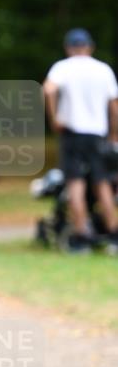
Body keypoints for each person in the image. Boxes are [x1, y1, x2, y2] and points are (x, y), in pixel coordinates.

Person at [43, 28, 118, 253]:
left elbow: (48, 90)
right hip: (97, 134)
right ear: (90, 47)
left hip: (72, 133)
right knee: (102, 183)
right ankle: (113, 233)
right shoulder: (103, 69)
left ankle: (81, 235)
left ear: (68, 48)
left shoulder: (62, 68)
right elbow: (114, 105)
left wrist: (54, 118)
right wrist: (114, 133)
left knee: (75, 184)